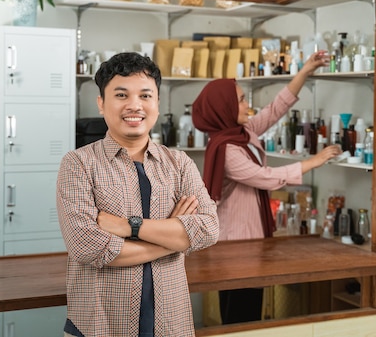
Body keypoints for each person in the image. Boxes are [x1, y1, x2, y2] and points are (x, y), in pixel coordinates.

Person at [57, 52, 219, 337]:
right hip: (101, 326)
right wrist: (175, 241)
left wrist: (128, 226)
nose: (135, 105)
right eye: (121, 95)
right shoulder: (79, 163)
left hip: (171, 324)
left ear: (157, 103)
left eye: (145, 95)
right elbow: (87, 246)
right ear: (101, 104)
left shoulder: (179, 163)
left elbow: (207, 229)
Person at [191, 51, 341, 325]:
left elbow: (275, 110)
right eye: (241, 99)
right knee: (241, 315)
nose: (248, 104)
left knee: (245, 311)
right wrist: (314, 162)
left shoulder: (241, 132)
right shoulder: (227, 149)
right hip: (237, 242)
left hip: (250, 238)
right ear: (224, 107)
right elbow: (266, 177)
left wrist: (305, 71)